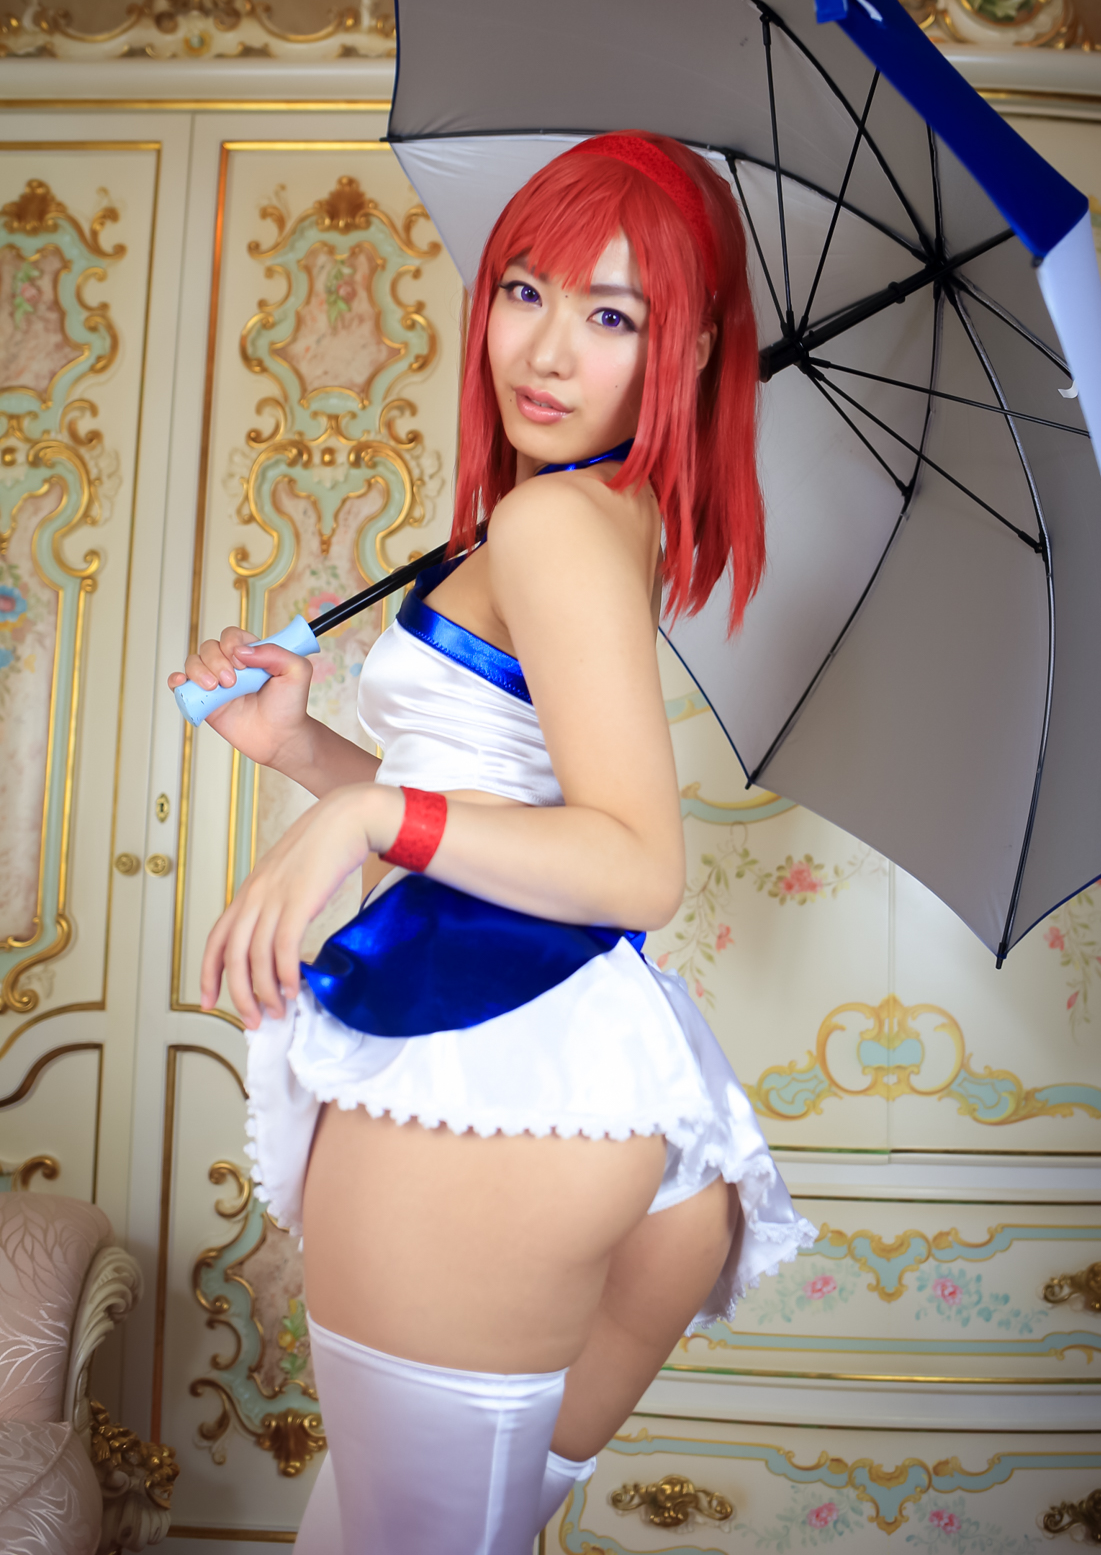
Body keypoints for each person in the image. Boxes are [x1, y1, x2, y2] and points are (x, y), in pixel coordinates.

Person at [170, 132, 815, 1554]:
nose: (547, 349)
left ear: (689, 350)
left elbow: (637, 865)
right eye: (526, 290)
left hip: (491, 1081)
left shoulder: (552, 520)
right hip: (586, 1085)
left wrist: (363, 814)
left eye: (613, 316)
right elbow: (501, 821)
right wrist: (306, 754)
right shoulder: (586, 513)